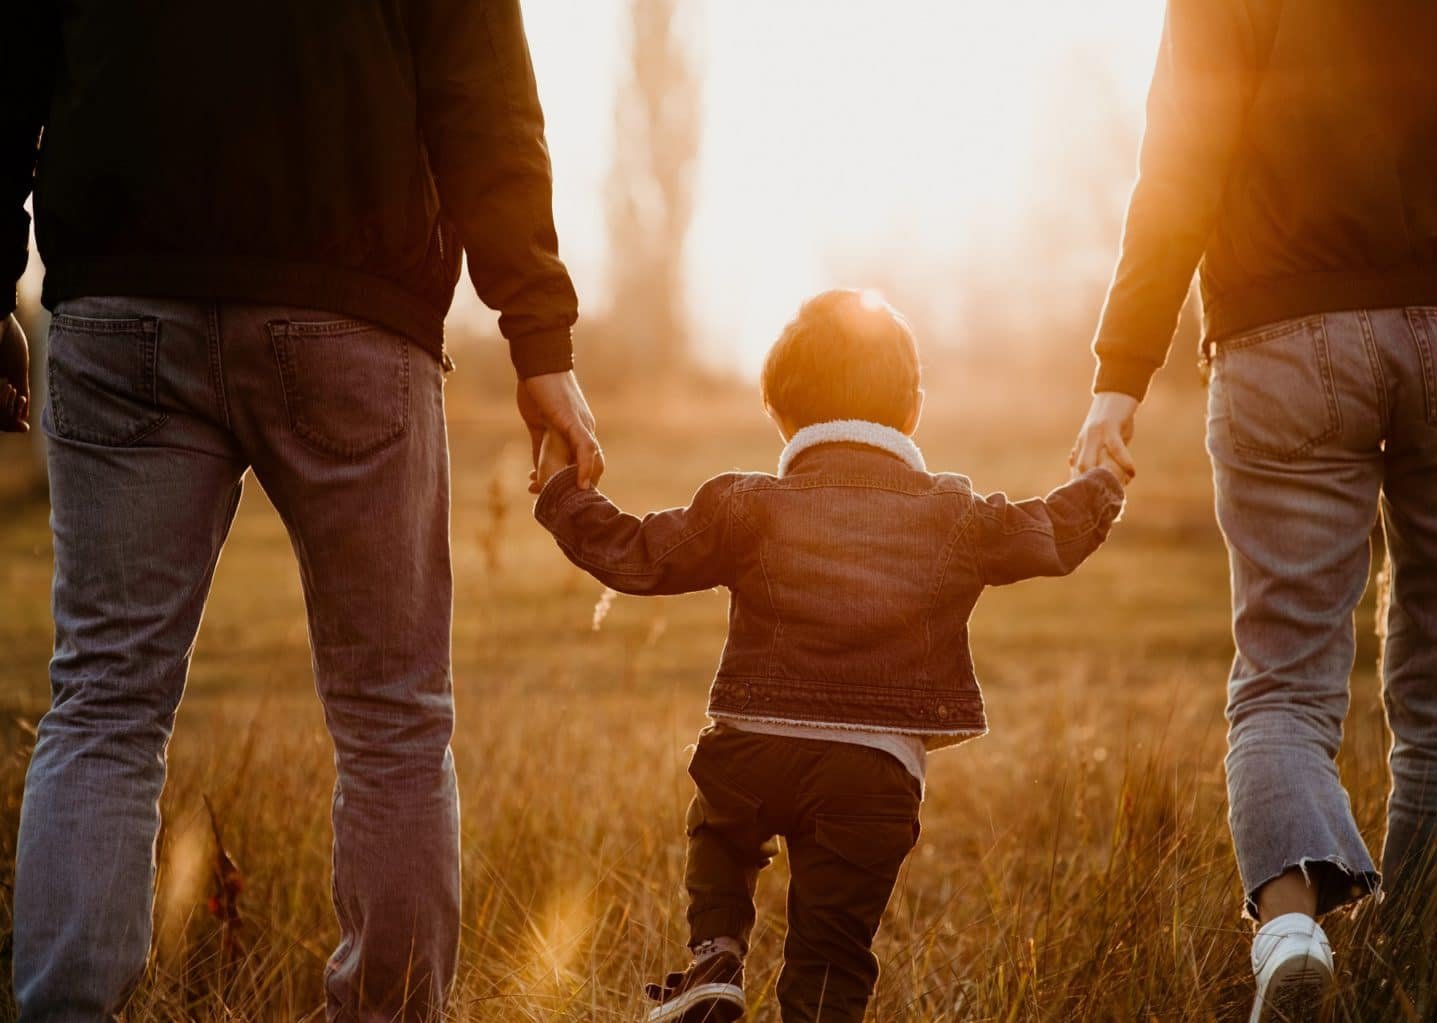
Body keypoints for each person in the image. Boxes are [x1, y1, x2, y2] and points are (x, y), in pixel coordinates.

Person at [1, 2, 602, 1020]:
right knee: (394, 721)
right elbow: (482, 94)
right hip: (353, 310)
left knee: (104, 701)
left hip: (124, 302)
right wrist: (537, 335)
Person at [1070, 2, 1437, 1020]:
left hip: (1287, 330)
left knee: (1283, 684)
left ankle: (1289, 933)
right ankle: (1434, 978)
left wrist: (1122, 370)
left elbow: (1182, 153)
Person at [533, 289, 1126, 1023]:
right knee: (831, 959)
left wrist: (563, 491)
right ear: (913, 413)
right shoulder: (956, 516)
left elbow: (636, 554)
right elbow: (1050, 533)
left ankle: (715, 958)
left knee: (720, 828)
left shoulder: (746, 505)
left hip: (753, 746)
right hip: (871, 776)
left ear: (780, 415)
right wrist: (1102, 478)